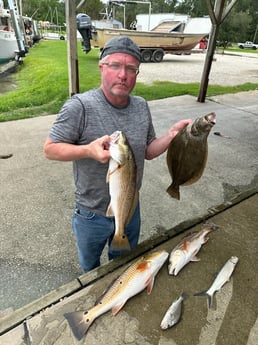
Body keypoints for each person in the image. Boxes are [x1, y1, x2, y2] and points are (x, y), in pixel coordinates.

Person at [44, 36, 191, 273]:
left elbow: (148, 151)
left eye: (131, 68)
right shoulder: (79, 106)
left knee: (123, 266)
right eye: (115, 65)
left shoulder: (141, 106)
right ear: (102, 67)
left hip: (130, 207)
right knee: (90, 269)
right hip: (91, 214)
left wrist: (172, 135)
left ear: (137, 73)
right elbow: (50, 148)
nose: (123, 74)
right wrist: (87, 151)